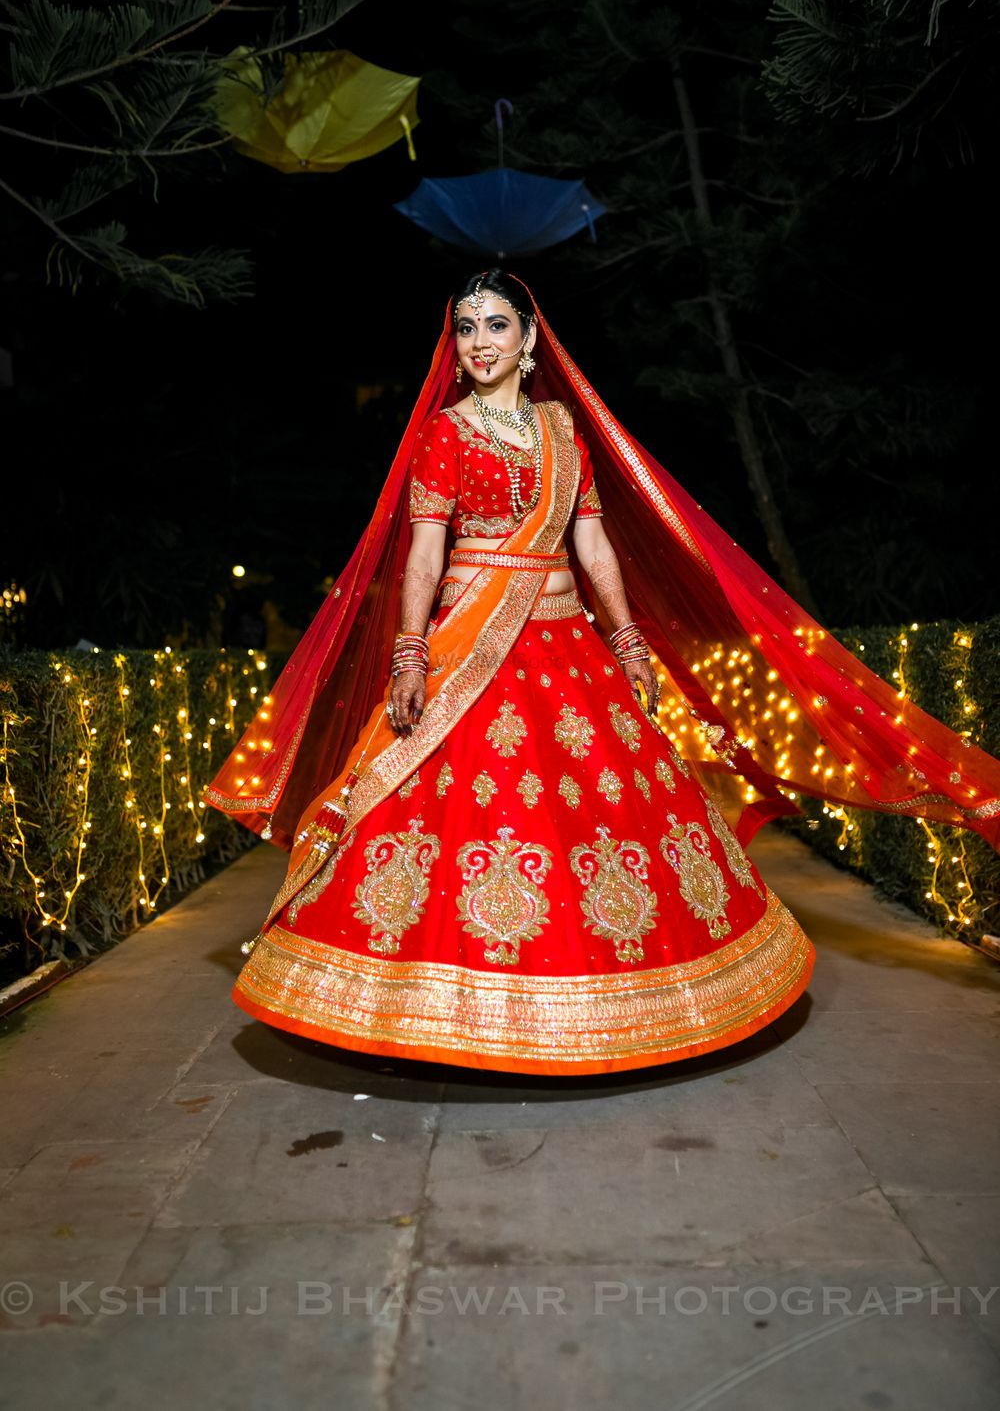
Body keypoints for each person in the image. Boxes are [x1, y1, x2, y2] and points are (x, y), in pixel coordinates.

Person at [205, 269, 1000, 1077]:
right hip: (470, 646)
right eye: (465, 329)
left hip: (566, 644)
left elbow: (591, 546)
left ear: (530, 336)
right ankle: (435, 1008)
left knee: (606, 818)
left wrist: (626, 641)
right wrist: (409, 652)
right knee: (460, 819)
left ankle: (631, 1004)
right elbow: (424, 552)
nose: (479, 343)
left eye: (496, 326)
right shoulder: (445, 435)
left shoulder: (562, 431)